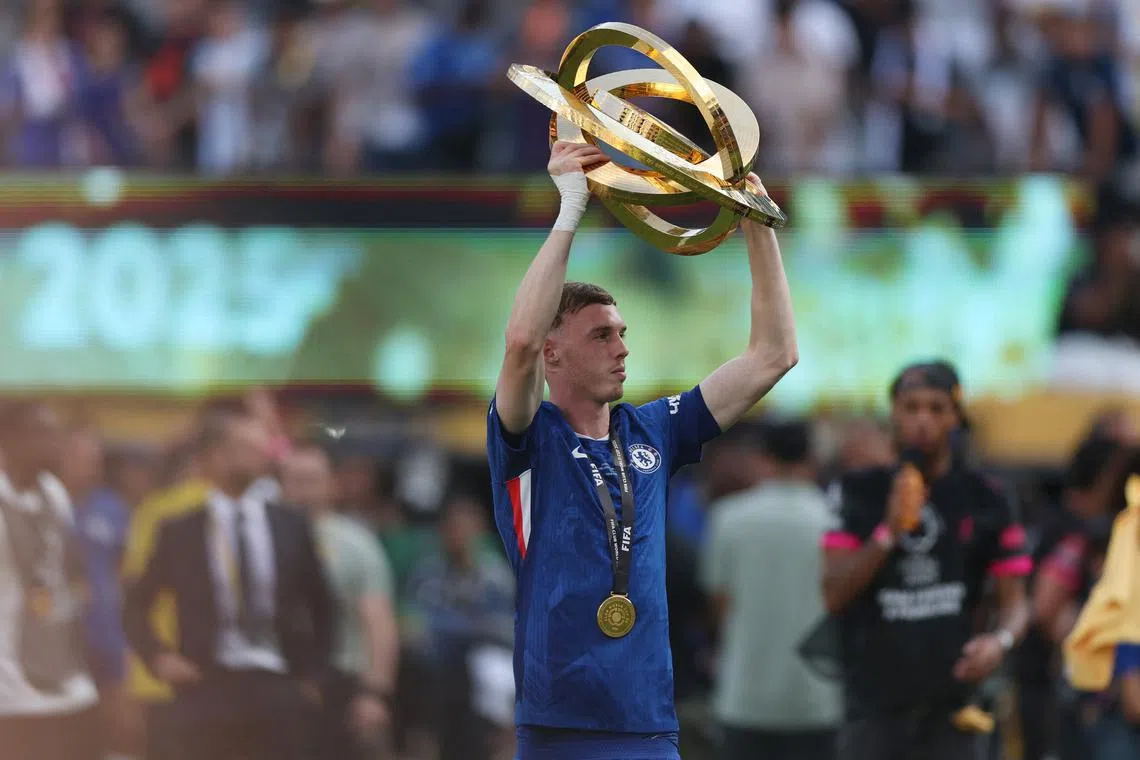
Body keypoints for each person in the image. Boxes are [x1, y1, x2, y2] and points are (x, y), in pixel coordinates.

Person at [485, 140, 798, 760]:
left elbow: (774, 356)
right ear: (556, 355)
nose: (621, 348)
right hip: (556, 729)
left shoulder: (655, 431)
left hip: (648, 727)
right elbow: (519, 341)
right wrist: (570, 209)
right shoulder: (527, 438)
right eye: (601, 336)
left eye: (623, 334)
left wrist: (758, 226)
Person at [820, 361, 1032, 760]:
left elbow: (1016, 602)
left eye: (936, 408)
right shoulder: (856, 493)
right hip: (873, 708)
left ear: (956, 417)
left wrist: (998, 643)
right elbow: (832, 595)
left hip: (953, 707)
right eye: (911, 407)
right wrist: (888, 532)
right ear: (894, 414)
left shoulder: (988, 496)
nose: (923, 420)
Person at [122, 408, 335, 760]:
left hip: (278, 683)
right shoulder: (180, 530)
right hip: (204, 685)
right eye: (243, 445)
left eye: (258, 444)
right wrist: (158, 657)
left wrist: (314, 676)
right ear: (214, 456)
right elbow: (135, 604)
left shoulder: (291, 525)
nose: (257, 452)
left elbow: (324, 605)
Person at [701, 418, 841, 760]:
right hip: (818, 699)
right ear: (812, 458)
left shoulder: (728, 517)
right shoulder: (834, 521)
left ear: (762, 457)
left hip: (745, 696)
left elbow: (719, 604)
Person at [280, 443, 399, 760]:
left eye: (313, 479)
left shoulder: (357, 545)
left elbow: (378, 622)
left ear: (332, 484)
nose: (304, 490)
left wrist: (374, 694)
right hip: (278, 681)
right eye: (295, 479)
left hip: (341, 680)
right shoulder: (263, 539)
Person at [0, 401, 100, 760]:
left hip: (65, 675)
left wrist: (74, 598)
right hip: (8, 683)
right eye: (42, 433)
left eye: (55, 433)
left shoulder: (54, 494)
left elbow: (68, 567)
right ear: (8, 439)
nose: (54, 442)